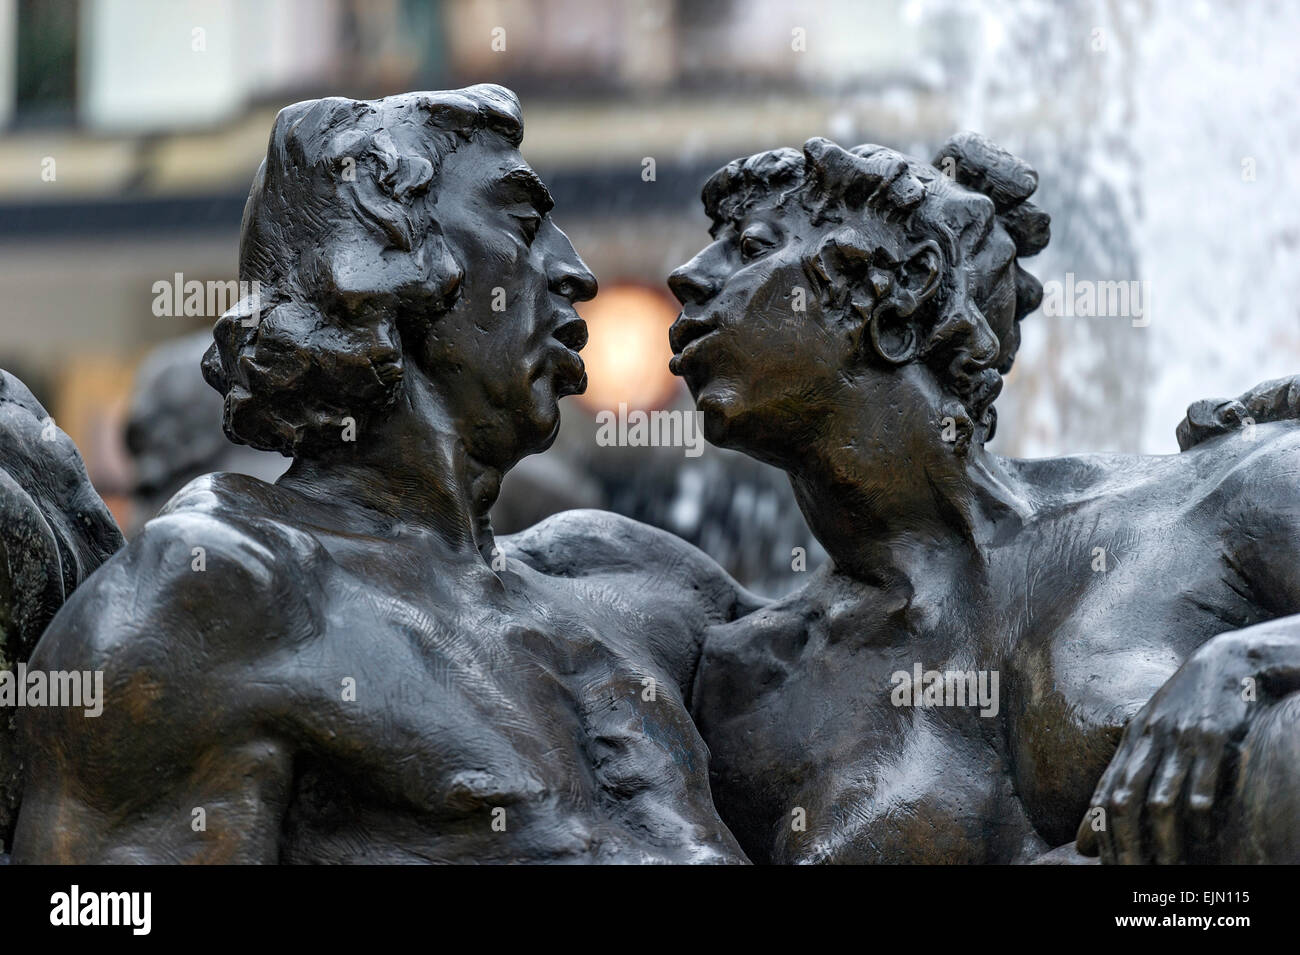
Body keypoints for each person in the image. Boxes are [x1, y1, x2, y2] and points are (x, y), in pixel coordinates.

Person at [13, 86, 753, 864]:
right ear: (382, 266)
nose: (576, 271)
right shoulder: (216, 592)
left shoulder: (628, 582)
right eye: (524, 224)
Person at [670, 133, 1300, 863]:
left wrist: (1257, 657)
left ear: (899, 299)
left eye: (750, 247)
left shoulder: (1219, 494)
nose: (685, 276)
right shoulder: (744, 692)